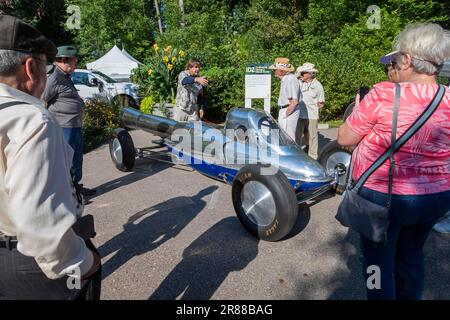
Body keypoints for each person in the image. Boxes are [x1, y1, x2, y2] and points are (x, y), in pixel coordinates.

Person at [337, 23, 450, 300]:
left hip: (383, 197)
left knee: (378, 263)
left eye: (397, 58)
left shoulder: (385, 93)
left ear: (408, 60)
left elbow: (344, 138)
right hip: (436, 197)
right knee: (411, 257)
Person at [0, 15, 101, 299]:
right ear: (31, 68)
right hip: (25, 261)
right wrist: (83, 262)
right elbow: (39, 226)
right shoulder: (33, 122)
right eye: (46, 67)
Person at [43, 45, 96, 196]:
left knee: (76, 157)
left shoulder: (64, 76)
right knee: (67, 160)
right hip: (64, 127)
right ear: (64, 60)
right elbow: (42, 101)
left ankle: (75, 187)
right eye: (74, 61)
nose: (76, 64)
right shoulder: (53, 77)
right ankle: (67, 192)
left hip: (74, 125)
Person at [295, 63, 325, 159]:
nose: (301, 74)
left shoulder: (318, 85)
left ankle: (313, 157)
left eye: (303, 73)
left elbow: (321, 102)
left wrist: (312, 108)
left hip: (311, 115)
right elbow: (295, 77)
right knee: (297, 135)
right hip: (299, 114)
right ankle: (297, 155)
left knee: (312, 136)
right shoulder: (299, 82)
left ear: (310, 74)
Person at [269, 57, 301, 141]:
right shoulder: (286, 79)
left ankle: (291, 154)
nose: (274, 72)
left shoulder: (290, 79)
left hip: (288, 110)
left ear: (281, 70)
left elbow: (294, 101)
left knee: (288, 139)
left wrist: (285, 114)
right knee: (285, 138)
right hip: (286, 109)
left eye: (275, 70)